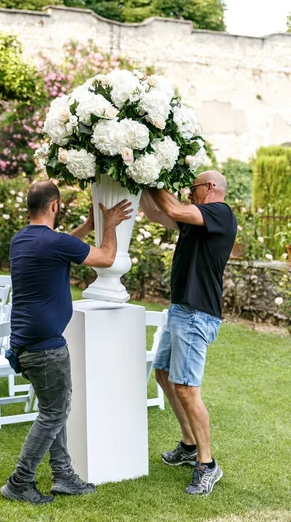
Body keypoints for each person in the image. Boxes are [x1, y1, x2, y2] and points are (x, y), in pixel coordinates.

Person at [0, 180, 133, 505]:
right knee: (53, 413)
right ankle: (20, 482)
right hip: (44, 348)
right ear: (55, 206)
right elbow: (106, 257)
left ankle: (64, 476)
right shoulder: (53, 242)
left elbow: (62, 245)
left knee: (54, 409)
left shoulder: (22, 240)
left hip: (24, 345)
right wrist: (110, 225)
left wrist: (89, 225)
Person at [141, 170, 237, 496]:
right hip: (181, 310)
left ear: (210, 187)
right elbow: (155, 212)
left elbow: (173, 209)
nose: (188, 193)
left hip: (197, 314)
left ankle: (207, 464)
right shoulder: (197, 220)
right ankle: (189, 444)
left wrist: (148, 167)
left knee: (186, 388)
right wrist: (135, 180)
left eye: (192, 188)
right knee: (164, 374)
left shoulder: (220, 213)